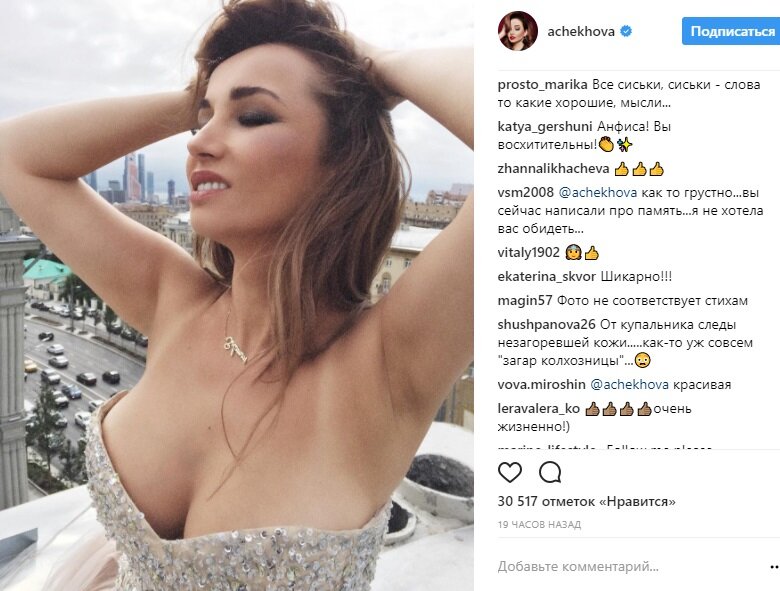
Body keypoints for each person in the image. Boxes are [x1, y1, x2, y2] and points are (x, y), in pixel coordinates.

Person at [0, 0, 473, 589]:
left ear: (341, 161)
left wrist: (377, 66)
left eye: (251, 116)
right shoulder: (174, 300)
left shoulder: (388, 364)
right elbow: (15, 154)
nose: (198, 142)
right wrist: (195, 98)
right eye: (203, 121)